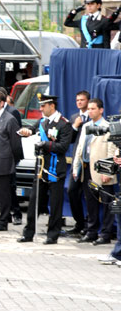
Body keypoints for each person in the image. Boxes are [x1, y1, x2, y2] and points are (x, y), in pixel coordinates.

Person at [17, 94, 72, 244]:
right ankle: (28, 233)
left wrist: (45, 145)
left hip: (55, 168)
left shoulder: (63, 124)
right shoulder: (42, 122)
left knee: (55, 204)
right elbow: (32, 129)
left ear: (52, 106)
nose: (40, 109)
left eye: (43, 106)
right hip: (41, 168)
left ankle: (52, 235)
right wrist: (26, 131)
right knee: (34, 202)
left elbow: (63, 146)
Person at [72, 98, 115, 245]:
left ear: (101, 110)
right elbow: (80, 147)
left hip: (102, 171)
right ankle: (91, 231)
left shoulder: (108, 126)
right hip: (87, 169)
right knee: (91, 202)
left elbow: (112, 150)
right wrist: (76, 166)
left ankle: (106, 234)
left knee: (107, 203)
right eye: (88, 109)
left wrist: (108, 171)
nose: (89, 111)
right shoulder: (86, 126)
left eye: (93, 109)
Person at [0, 91, 23, 232]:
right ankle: (2, 217)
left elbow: (15, 144)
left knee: (3, 192)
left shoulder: (9, 119)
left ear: (2, 103)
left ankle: (3, 221)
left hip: (2, 161)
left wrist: (13, 160)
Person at [66, 90, 90, 236]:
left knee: (89, 194)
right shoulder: (75, 117)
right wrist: (75, 126)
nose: (79, 102)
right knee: (72, 191)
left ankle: (89, 225)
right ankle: (79, 222)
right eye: (77, 100)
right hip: (77, 161)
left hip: (89, 161)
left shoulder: (93, 117)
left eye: (82, 100)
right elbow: (70, 140)